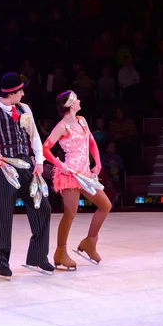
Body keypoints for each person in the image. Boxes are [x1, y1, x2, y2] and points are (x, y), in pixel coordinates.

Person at [0, 72, 53, 280]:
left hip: (28, 166)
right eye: (20, 91)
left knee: (43, 208)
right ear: (12, 93)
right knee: (4, 215)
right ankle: (0, 262)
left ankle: (38, 257)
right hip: (6, 168)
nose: (23, 94)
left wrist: (39, 161)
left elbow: (35, 137)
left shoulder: (25, 109)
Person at [42, 90, 112, 270]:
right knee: (70, 213)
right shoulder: (62, 127)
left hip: (85, 174)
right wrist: (59, 163)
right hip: (70, 175)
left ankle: (90, 242)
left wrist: (97, 163)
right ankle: (60, 252)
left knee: (105, 205)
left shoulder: (82, 120)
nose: (80, 100)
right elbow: (45, 149)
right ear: (71, 104)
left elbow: (92, 143)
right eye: (76, 99)